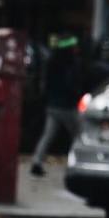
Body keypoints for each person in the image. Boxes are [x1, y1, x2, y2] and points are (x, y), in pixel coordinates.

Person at [30, 33, 82, 177]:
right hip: (68, 106)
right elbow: (72, 84)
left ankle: (37, 162)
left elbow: (45, 84)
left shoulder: (52, 61)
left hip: (53, 105)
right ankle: (78, 163)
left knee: (48, 135)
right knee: (78, 136)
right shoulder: (71, 63)